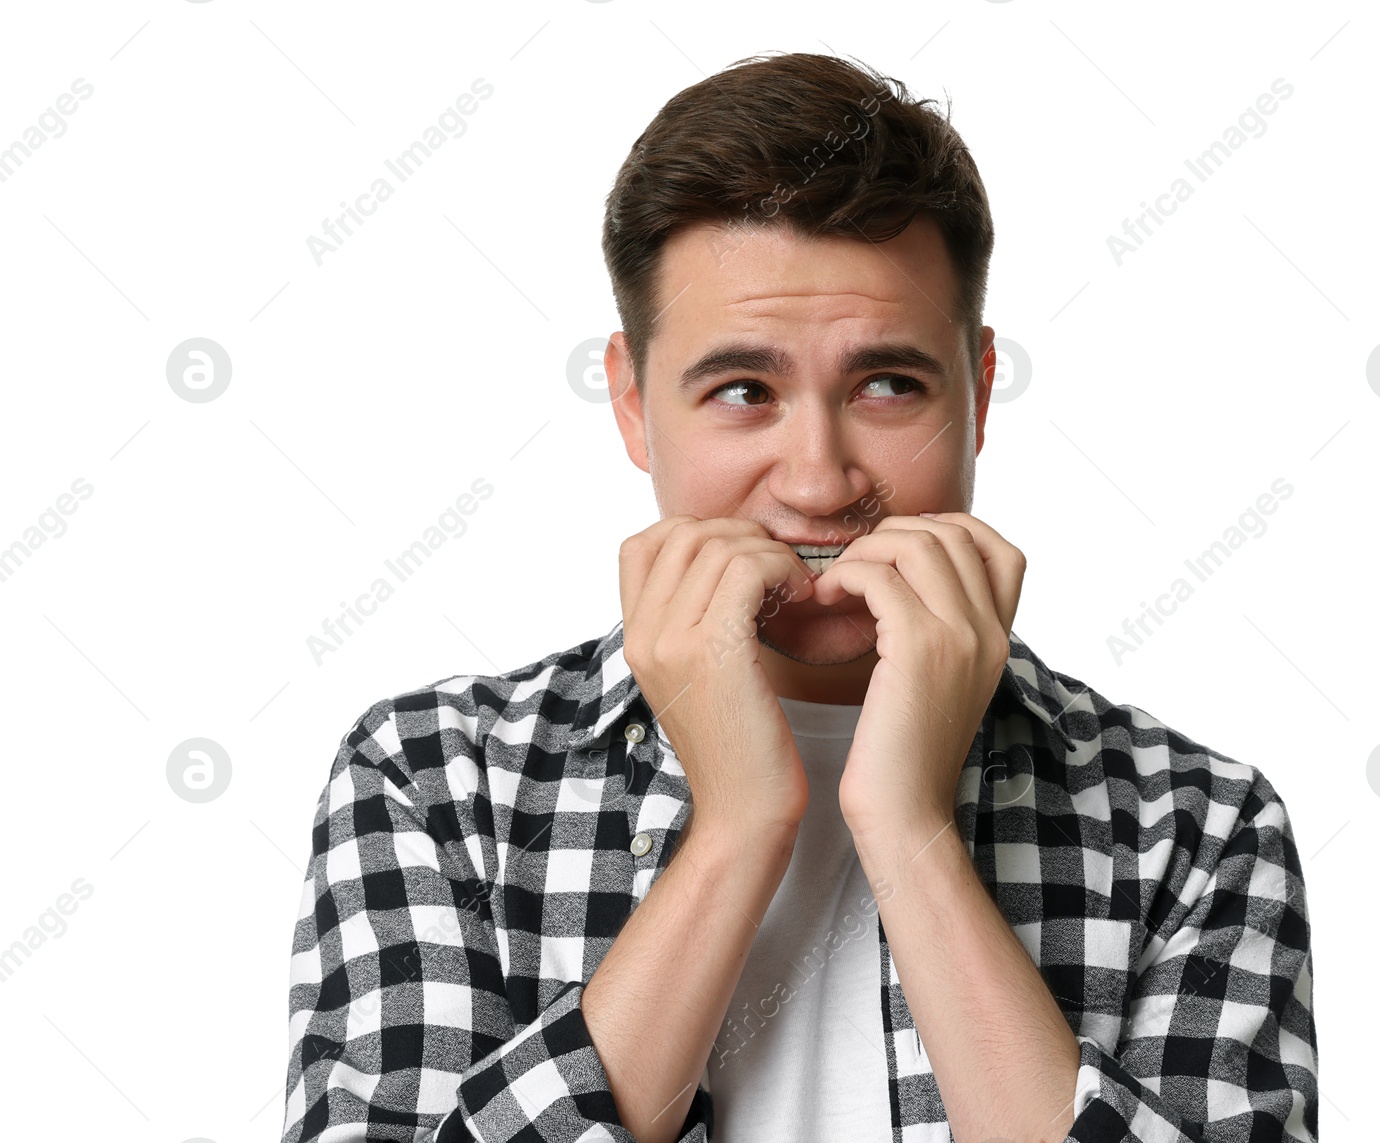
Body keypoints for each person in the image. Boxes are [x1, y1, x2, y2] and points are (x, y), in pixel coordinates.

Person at [278, 50, 1317, 1143]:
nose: (820, 481)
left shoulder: (1194, 823)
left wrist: (910, 831)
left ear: (978, 395)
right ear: (632, 404)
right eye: (741, 391)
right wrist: (735, 831)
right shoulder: (436, 780)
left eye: (887, 385)